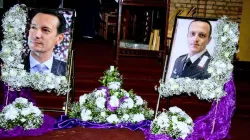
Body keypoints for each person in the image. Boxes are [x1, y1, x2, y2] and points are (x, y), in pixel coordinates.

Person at [23, 9, 67, 76]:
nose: (36, 35)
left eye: (45, 30)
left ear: (59, 38)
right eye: (33, 27)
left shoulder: (66, 70)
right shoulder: (12, 65)